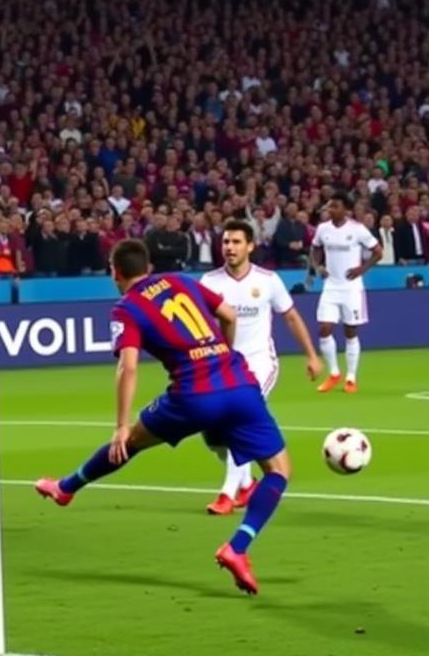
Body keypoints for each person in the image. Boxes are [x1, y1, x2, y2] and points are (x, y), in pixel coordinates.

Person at [35, 239, 292, 595]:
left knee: (132, 442)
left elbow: (128, 367)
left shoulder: (127, 308)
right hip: (238, 384)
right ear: (149, 267)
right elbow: (229, 316)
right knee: (278, 471)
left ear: (115, 273)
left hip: (191, 396)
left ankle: (66, 488)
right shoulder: (181, 281)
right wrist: (224, 353)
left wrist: (121, 425)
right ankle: (238, 547)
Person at [200, 220, 322, 515]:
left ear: (250, 246)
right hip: (223, 367)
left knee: (237, 419)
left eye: (236, 242)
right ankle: (245, 484)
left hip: (259, 363)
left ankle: (226, 495)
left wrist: (312, 355)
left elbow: (291, 317)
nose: (229, 247)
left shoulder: (267, 280)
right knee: (213, 437)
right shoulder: (209, 282)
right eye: (226, 242)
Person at [310, 191, 383, 393]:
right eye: (330, 206)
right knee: (324, 328)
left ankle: (351, 377)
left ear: (345, 210)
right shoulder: (323, 229)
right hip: (331, 286)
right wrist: (318, 266)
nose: (331, 209)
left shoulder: (358, 230)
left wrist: (362, 269)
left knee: (350, 331)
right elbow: (315, 248)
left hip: (351, 288)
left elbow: (378, 252)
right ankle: (334, 374)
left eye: (335, 206)